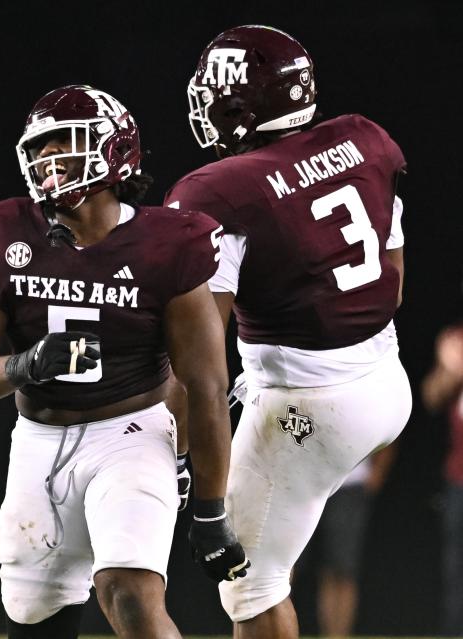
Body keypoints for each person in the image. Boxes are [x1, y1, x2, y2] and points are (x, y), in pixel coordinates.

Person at [0, 84, 248, 639]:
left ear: (115, 151)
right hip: (38, 438)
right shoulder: (6, 233)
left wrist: (210, 507)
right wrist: (24, 366)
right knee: (34, 621)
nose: (46, 161)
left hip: (131, 436)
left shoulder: (167, 243)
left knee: (128, 593)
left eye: (63, 143)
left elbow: (206, 385)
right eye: (39, 148)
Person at [165, 25, 412, 639]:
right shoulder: (364, 141)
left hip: (307, 407)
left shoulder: (219, 192)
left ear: (249, 105)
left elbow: (200, 364)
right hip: (387, 383)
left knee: (252, 585)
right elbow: (395, 283)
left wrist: (180, 462)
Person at [297, 447, 395, 638]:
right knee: (292, 568)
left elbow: (390, 431)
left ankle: (339, 635)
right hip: (309, 485)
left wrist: (376, 474)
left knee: (343, 569)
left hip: (350, 486)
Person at [421, 324, 463, 636]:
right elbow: (431, 397)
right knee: (455, 570)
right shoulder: (455, 339)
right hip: (458, 476)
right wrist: (451, 372)